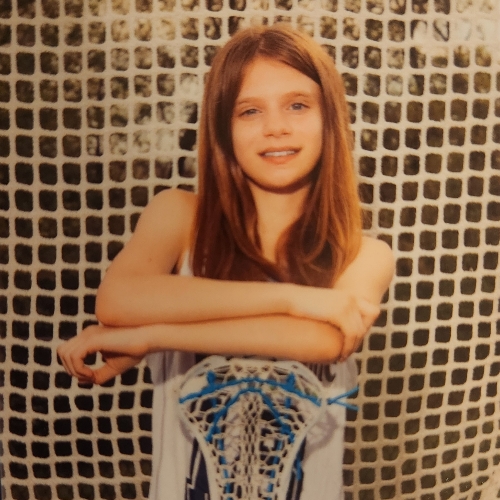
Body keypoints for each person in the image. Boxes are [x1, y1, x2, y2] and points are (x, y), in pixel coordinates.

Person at [58, 24, 394, 499]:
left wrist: (151, 336)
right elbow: (117, 300)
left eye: (297, 105)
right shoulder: (180, 216)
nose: (275, 127)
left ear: (330, 118)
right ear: (222, 127)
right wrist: (297, 300)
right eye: (250, 110)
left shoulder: (363, 253)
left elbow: (321, 340)